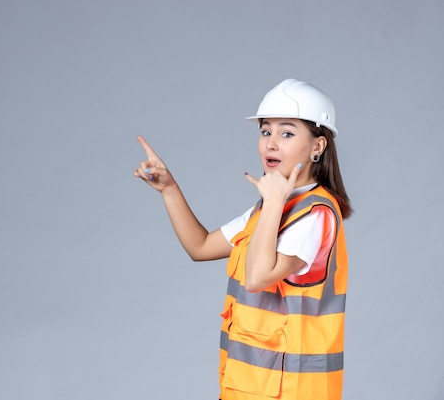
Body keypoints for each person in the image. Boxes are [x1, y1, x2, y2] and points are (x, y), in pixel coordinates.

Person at [133, 78, 352, 400]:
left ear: (318, 145)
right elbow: (201, 247)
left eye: (287, 133)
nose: (270, 144)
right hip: (246, 385)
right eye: (265, 131)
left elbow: (257, 277)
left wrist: (275, 203)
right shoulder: (270, 207)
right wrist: (169, 189)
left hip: (291, 390)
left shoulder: (316, 214)